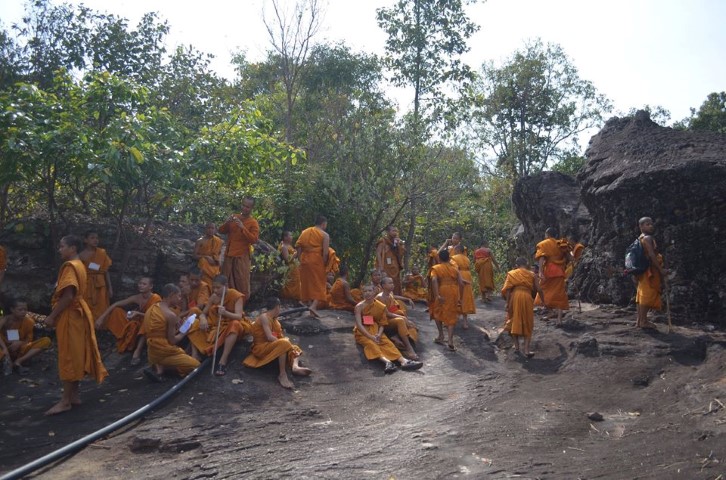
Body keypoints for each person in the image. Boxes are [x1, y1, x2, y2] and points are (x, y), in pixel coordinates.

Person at [43, 235, 108, 415]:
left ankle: (65, 401)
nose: (59, 249)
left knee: (69, 356)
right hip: (80, 314)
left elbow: (68, 296)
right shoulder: (79, 264)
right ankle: (74, 395)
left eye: (62, 246)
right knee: (77, 353)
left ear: (72, 248)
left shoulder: (70, 266)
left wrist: (52, 317)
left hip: (71, 315)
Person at [187, 274, 251, 375]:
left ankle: (223, 361)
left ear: (226, 286)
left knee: (235, 324)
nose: (215, 290)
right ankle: (195, 355)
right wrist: (203, 319)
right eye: (214, 287)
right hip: (215, 324)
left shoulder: (236, 296)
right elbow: (203, 313)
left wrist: (225, 313)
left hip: (230, 324)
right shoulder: (214, 297)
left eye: (218, 287)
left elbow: (238, 316)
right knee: (194, 322)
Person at [243, 297, 311, 389]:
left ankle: (295, 367)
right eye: (280, 307)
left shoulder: (275, 320)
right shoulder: (264, 317)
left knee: (294, 347)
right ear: (277, 307)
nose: (280, 309)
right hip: (261, 347)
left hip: (272, 345)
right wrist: (285, 343)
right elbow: (269, 337)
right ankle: (282, 374)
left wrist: (286, 343)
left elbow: (278, 337)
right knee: (284, 344)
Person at [353, 285, 423, 374]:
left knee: (387, 343)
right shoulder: (359, 306)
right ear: (362, 293)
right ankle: (388, 363)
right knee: (371, 344)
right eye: (365, 291)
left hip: (376, 329)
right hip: (362, 331)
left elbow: (382, 323)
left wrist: (379, 334)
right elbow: (359, 324)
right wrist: (370, 336)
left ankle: (404, 361)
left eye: (370, 291)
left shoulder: (380, 306)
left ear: (374, 292)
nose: (367, 293)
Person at [95, 277, 160, 364]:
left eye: (144, 284)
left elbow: (155, 317)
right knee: (117, 311)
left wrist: (138, 314)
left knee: (146, 321)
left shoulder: (156, 298)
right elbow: (116, 304)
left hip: (148, 325)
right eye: (140, 283)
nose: (140, 285)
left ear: (150, 286)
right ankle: (123, 338)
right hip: (137, 323)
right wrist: (101, 318)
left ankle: (138, 350)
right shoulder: (137, 297)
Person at [142, 283, 200, 381]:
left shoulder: (152, 308)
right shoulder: (170, 315)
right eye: (178, 296)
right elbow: (172, 341)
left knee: (177, 357)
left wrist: (178, 328)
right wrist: (184, 331)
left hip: (151, 352)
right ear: (171, 295)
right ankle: (164, 368)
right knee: (196, 365)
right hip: (163, 352)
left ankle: (159, 367)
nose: (180, 299)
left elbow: (160, 333)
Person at [501, 257, 543, 357]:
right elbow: (539, 289)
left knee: (514, 319)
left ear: (516, 265)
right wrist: (543, 301)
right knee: (528, 322)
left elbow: (508, 290)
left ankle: (517, 347)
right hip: (527, 297)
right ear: (527, 264)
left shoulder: (512, 273)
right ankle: (527, 350)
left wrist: (507, 303)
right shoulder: (532, 274)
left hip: (515, 297)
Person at [219, 197, 259, 298]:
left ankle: (241, 304)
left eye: (248, 207)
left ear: (252, 208)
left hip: (242, 257)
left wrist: (243, 228)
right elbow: (221, 230)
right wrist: (227, 222)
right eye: (243, 205)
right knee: (226, 282)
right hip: (229, 255)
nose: (245, 208)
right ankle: (226, 303)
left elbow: (254, 240)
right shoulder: (234, 217)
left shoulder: (253, 222)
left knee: (242, 283)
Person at [0, 298, 51, 376]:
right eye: (20, 310)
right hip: (4, 350)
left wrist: (19, 343)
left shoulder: (29, 321)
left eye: (25, 309)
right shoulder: (4, 320)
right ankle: (5, 362)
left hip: (20, 350)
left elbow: (28, 340)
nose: (23, 312)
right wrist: (5, 349)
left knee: (46, 341)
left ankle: (18, 361)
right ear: (12, 309)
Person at [534, 227, 571, 325]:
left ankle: (550, 311)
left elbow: (542, 258)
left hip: (549, 271)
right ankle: (559, 318)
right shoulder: (562, 244)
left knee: (543, 291)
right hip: (560, 271)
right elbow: (570, 258)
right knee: (559, 294)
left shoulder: (544, 244)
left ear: (547, 234)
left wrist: (540, 272)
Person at [376, 277, 419, 360]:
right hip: (384, 322)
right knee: (401, 321)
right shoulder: (380, 297)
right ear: (383, 285)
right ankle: (409, 348)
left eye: (392, 283)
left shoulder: (390, 294)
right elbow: (386, 314)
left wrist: (403, 316)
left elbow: (393, 308)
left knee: (412, 327)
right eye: (390, 283)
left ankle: (397, 338)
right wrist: (402, 317)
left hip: (391, 318)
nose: (392, 285)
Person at [295, 215, 329, 318]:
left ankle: (310, 308)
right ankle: (313, 306)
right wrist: (324, 263)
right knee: (320, 283)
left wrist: (300, 259)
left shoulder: (305, 232)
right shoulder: (324, 235)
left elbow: (298, 246)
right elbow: (326, 253)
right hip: (316, 260)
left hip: (304, 259)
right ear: (323, 224)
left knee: (307, 283)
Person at [430, 249, 464, 351]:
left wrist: (437, 295)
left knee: (437, 312)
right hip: (453, 292)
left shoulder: (436, 268)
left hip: (442, 290)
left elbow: (434, 280)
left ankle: (441, 335)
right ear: (449, 258)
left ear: (439, 258)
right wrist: (460, 298)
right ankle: (450, 341)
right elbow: (461, 284)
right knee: (451, 314)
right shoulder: (455, 269)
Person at [635, 217, 665, 330]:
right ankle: (643, 321)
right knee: (647, 294)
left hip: (643, 270)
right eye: (647, 224)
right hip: (649, 270)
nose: (651, 226)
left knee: (642, 293)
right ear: (641, 226)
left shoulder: (640, 238)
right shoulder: (647, 238)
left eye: (651, 224)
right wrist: (661, 270)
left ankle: (640, 320)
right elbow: (652, 255)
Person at [79, 231, 113, 322]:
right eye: (92, 238)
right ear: (86, 240)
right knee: (86, 306)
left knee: (101, 306)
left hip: (100, 285)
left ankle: (99, 326)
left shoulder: (101, 253)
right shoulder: (81, 256)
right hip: (87, 284)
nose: (95, 240)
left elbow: (105, 271)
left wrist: (110, 288)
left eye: (97, 238)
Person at [451, 244, 476, 329]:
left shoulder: (454, 258)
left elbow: (454, 269)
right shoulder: (467, 258)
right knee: (466, 298)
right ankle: (465, 322)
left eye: (455, 249)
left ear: (458, 250)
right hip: (467, 275)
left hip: (459, 276)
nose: (454, 251)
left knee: (457, 296)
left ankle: (455, 318)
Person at [375, 226, 405, 295]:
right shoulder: (383, 241)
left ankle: (396, 297)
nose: (395, 233)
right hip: (385, 266)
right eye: (393, 231)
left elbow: (401, 254)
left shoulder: (397, 242)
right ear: (388, 232)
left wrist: (399, 245)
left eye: (396, 231)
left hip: (395, 266)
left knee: (395, 282)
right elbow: (378, 253)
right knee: (385, 280)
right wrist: (380, 266)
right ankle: (385, 296)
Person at [279, 231, 301, 301]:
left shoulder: (289, 246)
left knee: (297, 283)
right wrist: (295, 254)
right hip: (289, 269)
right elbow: (287, 259)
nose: (292, 237)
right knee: (290, 284)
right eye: (290, 235)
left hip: (294, 268)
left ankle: (296, 299)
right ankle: (288, 298)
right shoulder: (284, 247)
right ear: (285, 237)